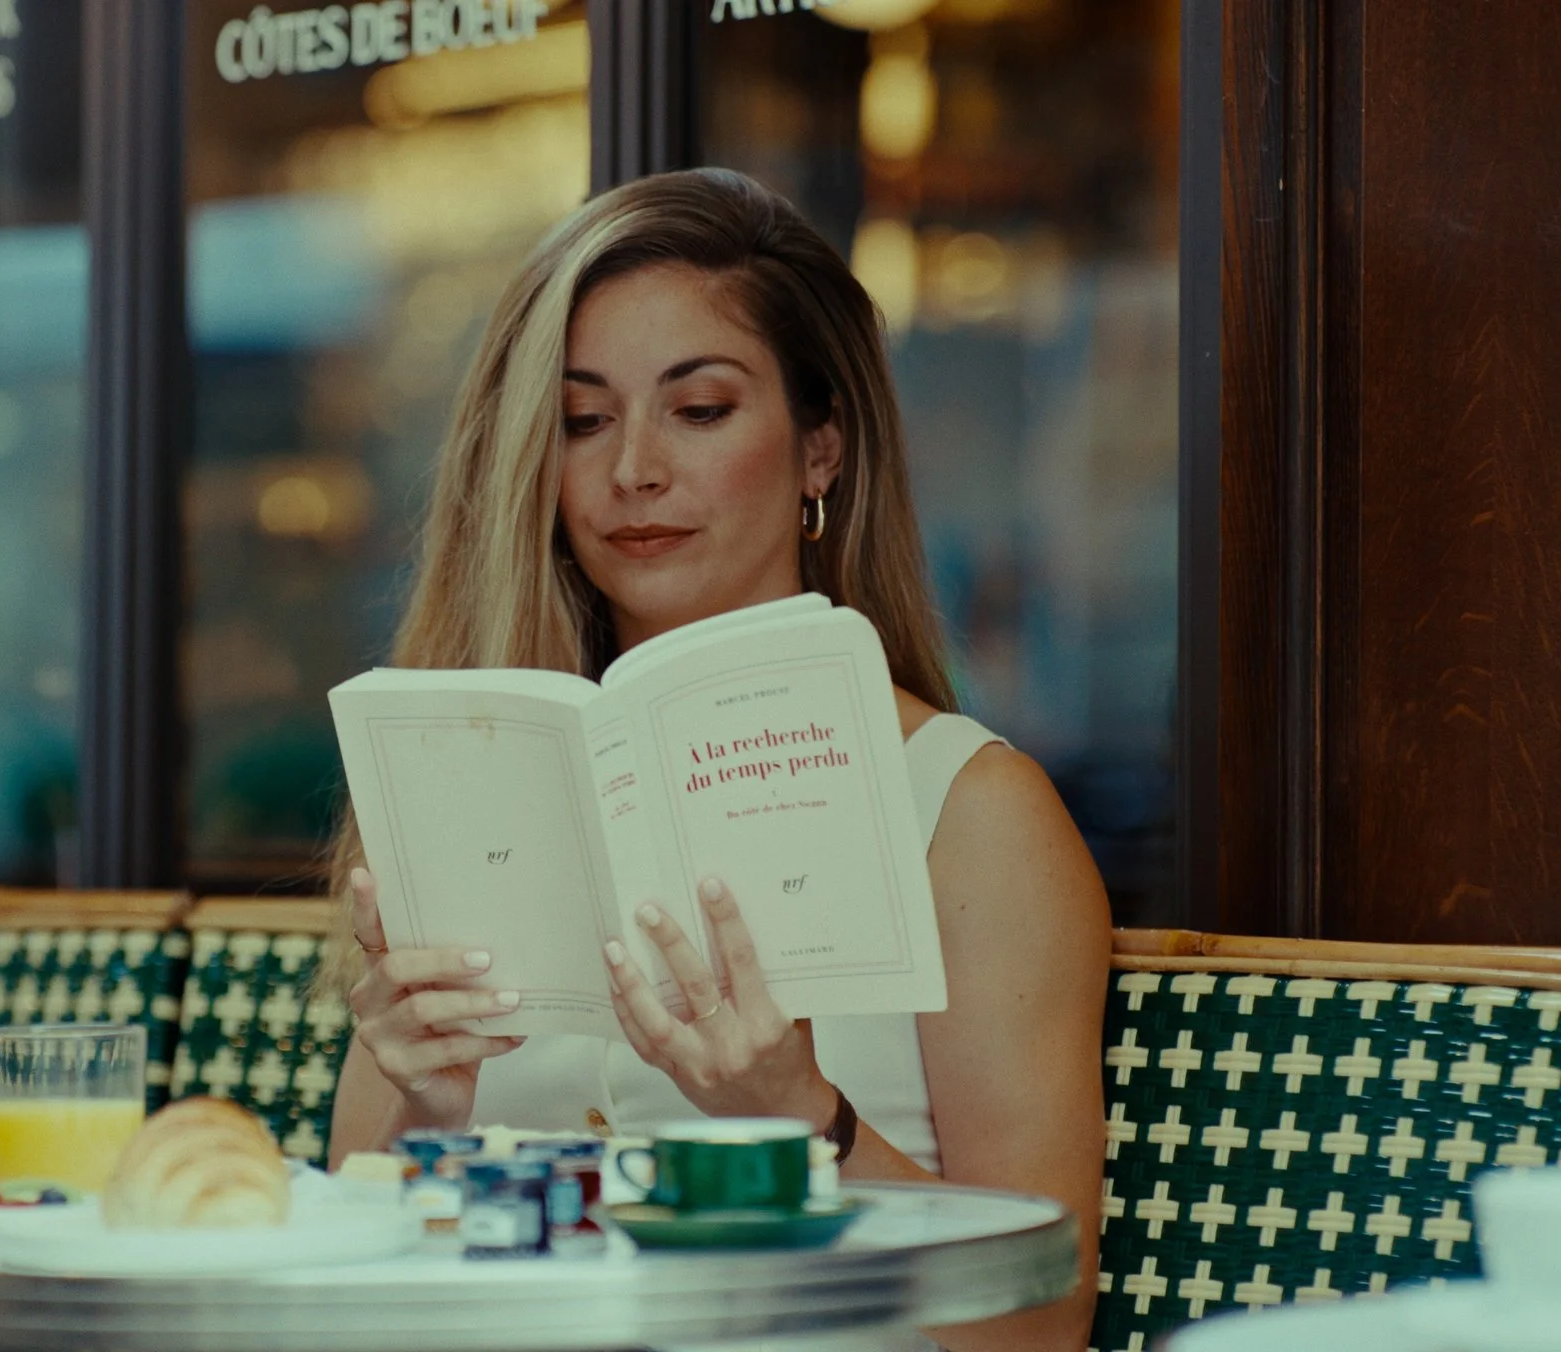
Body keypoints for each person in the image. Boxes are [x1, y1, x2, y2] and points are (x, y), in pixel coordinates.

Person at [324, 169, 1108, 1351]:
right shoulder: (481, 784)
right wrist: (423, 1113)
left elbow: (1036, 1325)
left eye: (698, 409)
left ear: (820, 450)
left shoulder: (966, 811)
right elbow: (345, 1273)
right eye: (582, 420)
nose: (632, 467)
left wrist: (805, 1118)